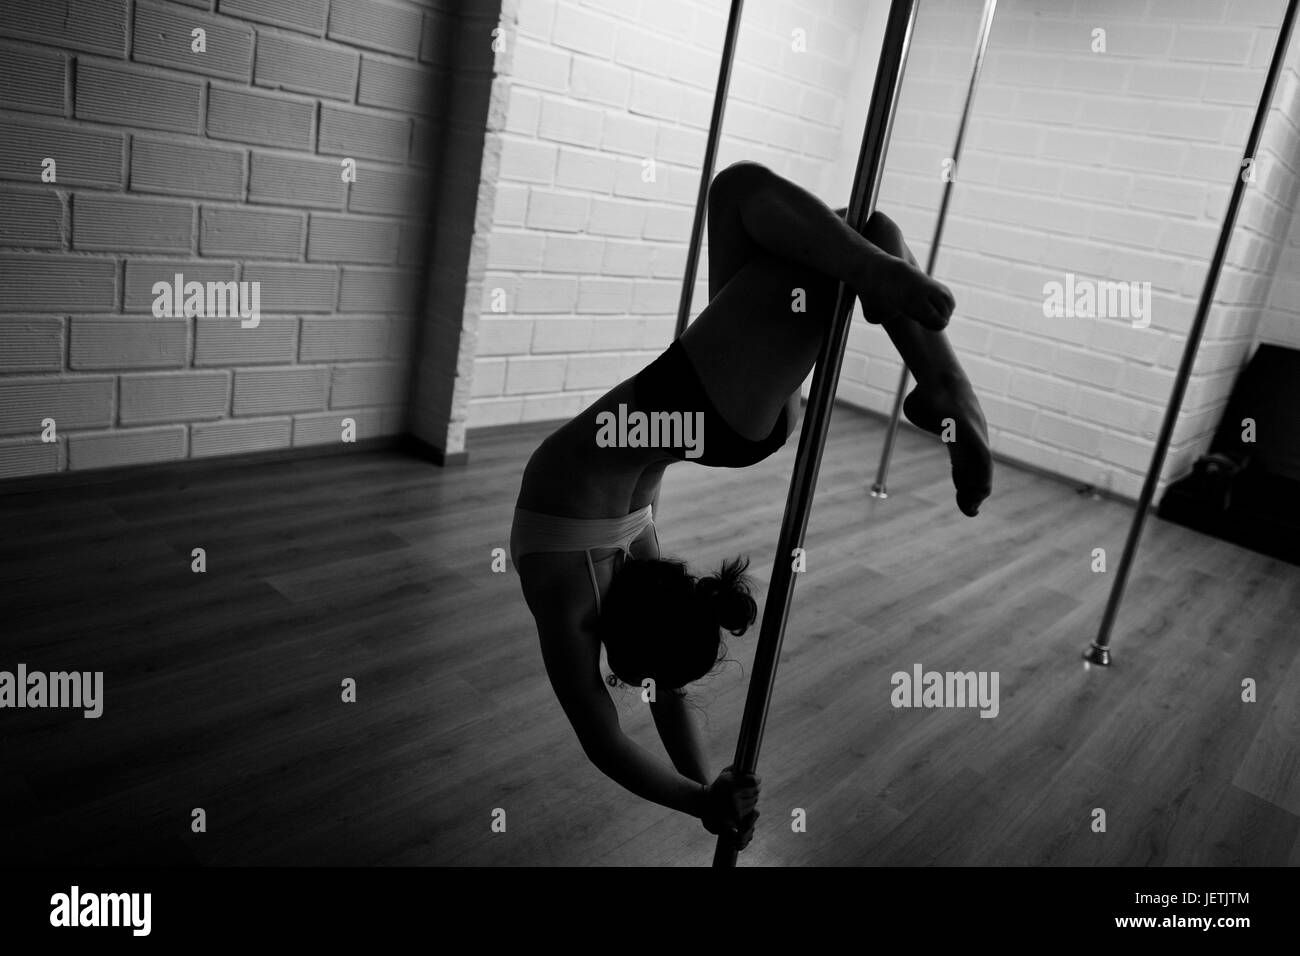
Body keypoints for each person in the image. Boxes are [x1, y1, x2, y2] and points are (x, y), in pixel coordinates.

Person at [511, 161, 993, 852]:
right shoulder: (605, 590)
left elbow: (607, 736)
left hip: (728, 413)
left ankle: (910, 327)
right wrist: (701, 796)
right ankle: (945, 382)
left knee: (836, 226)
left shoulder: (575, 597)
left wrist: (706, 794)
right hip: (709, 412)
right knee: (785, 209)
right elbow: (646, 701)